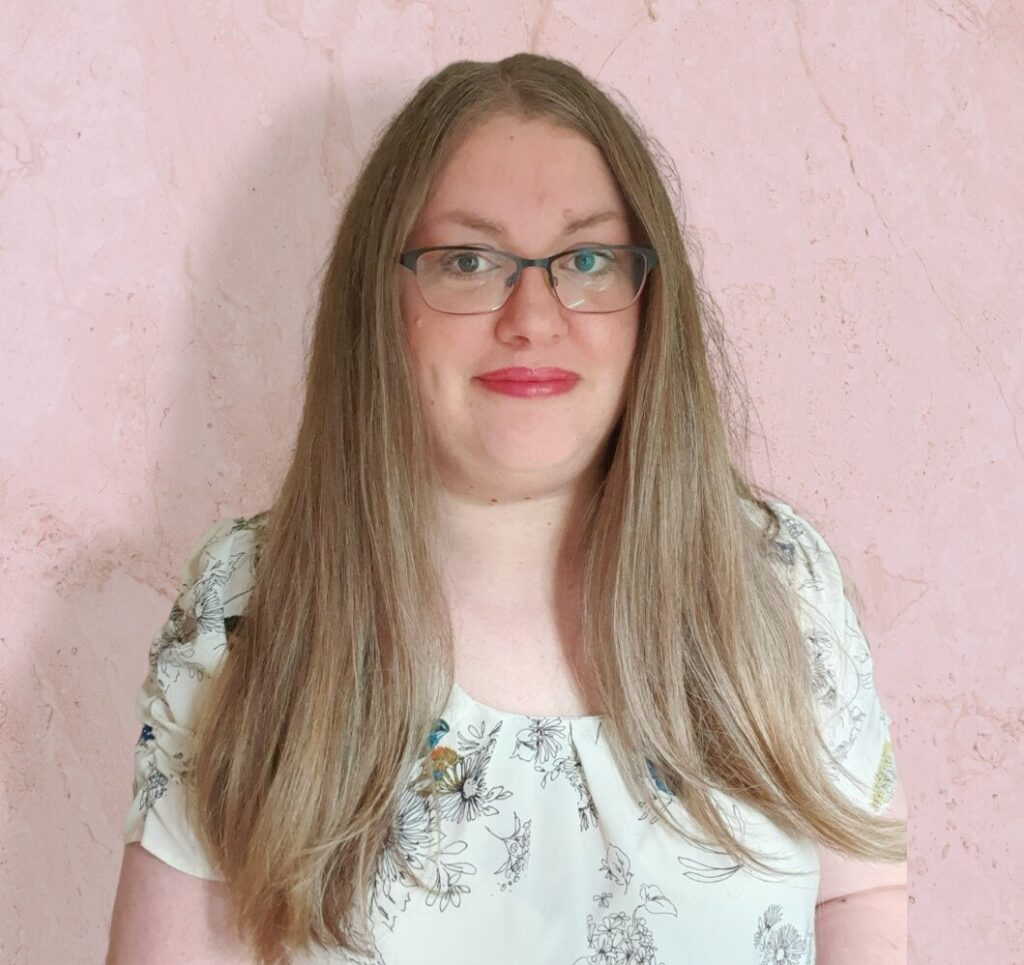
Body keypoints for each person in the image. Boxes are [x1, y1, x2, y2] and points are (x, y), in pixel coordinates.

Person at [106, 53, 907, 965]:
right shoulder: (249, 607)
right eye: (468, 261)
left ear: (651, 305)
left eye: (588, 259)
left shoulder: (782, 585)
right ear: (381, 302)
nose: (533, 315)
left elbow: (860, 893)